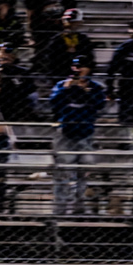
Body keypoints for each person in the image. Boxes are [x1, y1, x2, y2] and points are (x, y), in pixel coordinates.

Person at [49, 58, 106, 215]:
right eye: (75, 66)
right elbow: (53, 103)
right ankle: (60, 208)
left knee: (84, 171)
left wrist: (86, 91)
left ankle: (78, 206)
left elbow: (100, 105)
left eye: (81, 67)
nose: (77, 69)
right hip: (65, 132)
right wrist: (65, 89)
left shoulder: (95, 87)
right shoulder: (63, 84)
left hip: (86, 132)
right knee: (63, 171)